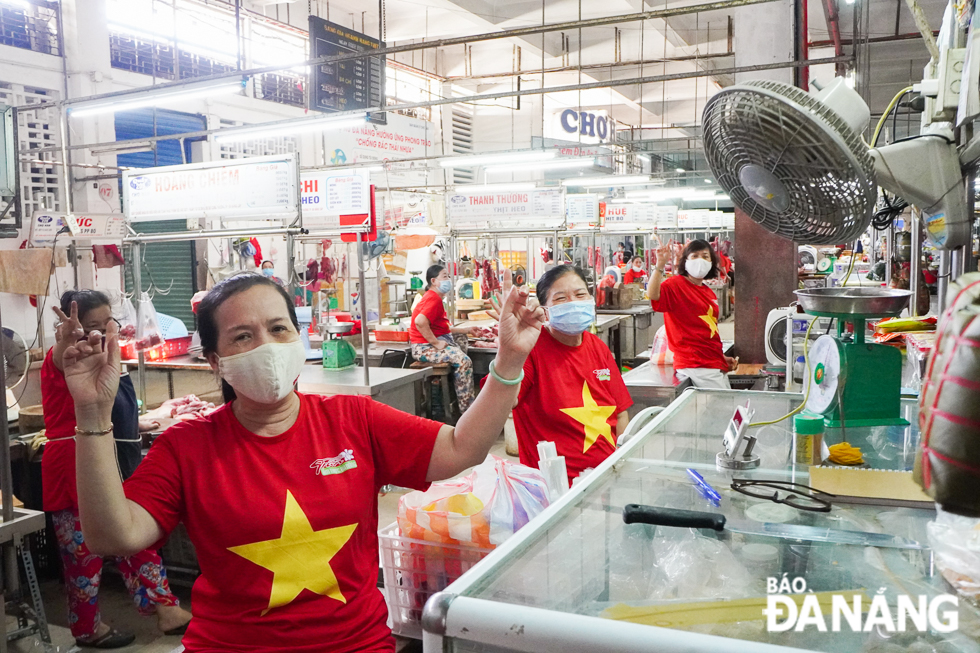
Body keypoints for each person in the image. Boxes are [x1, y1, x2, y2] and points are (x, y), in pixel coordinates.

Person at [60, 272, 544, 653]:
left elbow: (463, 448)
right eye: (242, 337)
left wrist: (508, 363)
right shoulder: (188, 446)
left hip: (354, 644)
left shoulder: (353, 420)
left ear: (298, 337)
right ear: (214, 360)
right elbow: (111, 536)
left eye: (278, 329)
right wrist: (90, 412)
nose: (266, 346)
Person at [43, 290, 192, 649]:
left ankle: (165, 607)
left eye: (106, 321)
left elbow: (112, 408)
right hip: (71, 465)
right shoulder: (66, 356)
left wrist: (139, 425)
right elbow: (67, 359)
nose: (99, 331)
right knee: (84, 555)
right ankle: (87, 628)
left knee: (135, 538)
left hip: (110, 456)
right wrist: (67, 340)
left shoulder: (111, 354)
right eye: (88, 325)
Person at [502, 266, 632, 484]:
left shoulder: (598, 347)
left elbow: (619, 413)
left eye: (580, 295)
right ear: (544, 310)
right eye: (561, 298)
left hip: (606, 478)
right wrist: (509, 353)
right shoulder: (531, 349)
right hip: (555, 490)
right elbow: (504, 401)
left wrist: (622, 459)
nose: (573, 303)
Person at [648, 239, 737, 389]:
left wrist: (720, 358)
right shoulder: (675, 285)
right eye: (694, 256)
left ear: (711, 262)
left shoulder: (708, 292)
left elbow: (707, 330)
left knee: (724, 407)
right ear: (685, 261)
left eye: (705, 256)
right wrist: (660, 265)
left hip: (711, 363)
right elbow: (653, 294)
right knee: (721, 409)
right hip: (695, 365)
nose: (700, 260)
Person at [409, 265, 479, 413]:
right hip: (423, 347)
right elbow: (420, 322)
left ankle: (456, 391)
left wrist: (466, 330)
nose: (449, 280)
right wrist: (436, 343)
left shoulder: (434, 298)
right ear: (434, 281)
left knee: (461, 338)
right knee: (464, 361)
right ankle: (468, 410)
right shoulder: (433, 299)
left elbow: (440, 327)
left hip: (429, 342)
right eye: (445, 276)